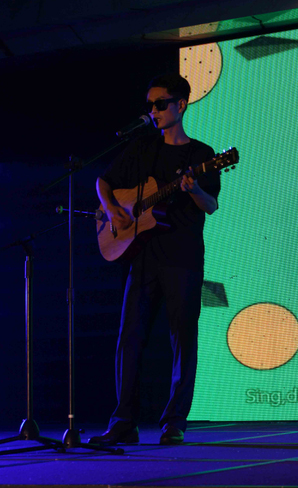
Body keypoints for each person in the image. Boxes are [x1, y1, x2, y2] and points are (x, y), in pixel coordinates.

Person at [90, 73, 220, 446]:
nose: (153, 110)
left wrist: (193, 189)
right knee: (129, 337)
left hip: (182, 257)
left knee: (183, 338)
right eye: (150, 105)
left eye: (160, 104)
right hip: (142, 257)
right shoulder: (142, 148)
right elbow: (103, 182)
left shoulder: (202, 155)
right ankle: (123, 422)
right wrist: (113, 210)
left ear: (181, 105)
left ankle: (174, 421)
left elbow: (211, 205)